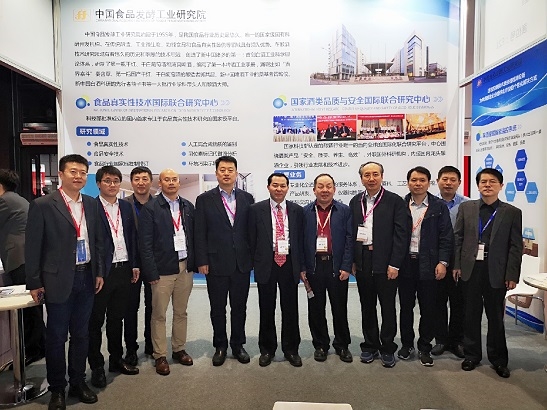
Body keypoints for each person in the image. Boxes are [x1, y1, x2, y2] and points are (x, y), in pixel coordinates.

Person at [25, 154, 104, 410]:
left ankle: (78, 382)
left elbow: (97, 241)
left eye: (82, 172)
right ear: (61, 174)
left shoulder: (91, 204)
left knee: (81, 334)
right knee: (57, 337)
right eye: (73, 171)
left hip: (87, 276)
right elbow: (33, 247)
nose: (78, 176)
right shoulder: (43, 205)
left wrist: (99, 272)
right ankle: (57, 388)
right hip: (57, 279)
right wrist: (34, 282)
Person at [454, 168, 522, 378]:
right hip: (470, 269)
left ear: (501, 186)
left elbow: (515, 246)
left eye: (492, 181)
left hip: (497, 272)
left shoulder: (511, 212)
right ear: (478, 185)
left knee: (495, 317)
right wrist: (456, 265)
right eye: (483, 181)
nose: (487, 185)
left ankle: (499, 360)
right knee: (470, 315)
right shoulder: (466, 208)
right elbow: (458, 238)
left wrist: (512, 274)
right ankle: (471, 355)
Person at [195, 156, 254, 366]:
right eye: (222, 170)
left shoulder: (247, 198)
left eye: (230, 170)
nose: (226, 173)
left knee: (239, 307)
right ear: (216, 173)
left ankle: (238, 345)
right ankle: (220, 346)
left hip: (241, 263)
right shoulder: (204, 199)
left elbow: (251, 231)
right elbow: (199, 232)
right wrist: (202, 260)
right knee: (217, 308)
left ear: (236, 173)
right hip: (215, 263)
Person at [349, 161, 409, 368]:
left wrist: (395, 264)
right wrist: (354, 260)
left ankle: (388, 347)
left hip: (386, 261)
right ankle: (370, 345)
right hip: (364, 260)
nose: (371, 178)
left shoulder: (394, 201)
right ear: (361, 179)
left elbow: (401, 235)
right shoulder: (355, 201)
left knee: (387, 306)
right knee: (367, 306)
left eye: (375, 174)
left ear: (382, 176)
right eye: (367, 175)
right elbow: (352, 233)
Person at [139, 169, 196, 376]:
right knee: (159, 314)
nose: (171, 183)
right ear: (160, 184)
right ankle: (160, 355)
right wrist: (151, 272)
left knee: (181, 312)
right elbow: (145, 244)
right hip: (162, 270)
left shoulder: (187, 206)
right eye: (167, 180)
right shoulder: (151, 208)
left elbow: (193, 236)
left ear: (179, 183)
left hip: (184, 267)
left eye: (174, 179)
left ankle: (179, 349)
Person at [88, 166, 139, 389]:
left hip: (123, 269)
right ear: (98, 183)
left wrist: (134, 264)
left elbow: (132, 236)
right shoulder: (91, 206)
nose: (112, 185)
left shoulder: (126, 207)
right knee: (96, 321)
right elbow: (92, 242)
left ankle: (116, 360)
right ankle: (97, 366)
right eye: (107, 181)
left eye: (116, 181)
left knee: (117, 318)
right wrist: (98, 271)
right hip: (102, 273)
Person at [397, 166, 453, 367]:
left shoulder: (439, 207)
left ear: (429, 183)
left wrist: (443, 262)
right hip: (405, 264)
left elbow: (446, 237)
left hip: (429, 264)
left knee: (428, 308)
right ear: (408, 183)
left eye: (422, 180)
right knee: (405, 307)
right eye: (414, 180)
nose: (418, 184)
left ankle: (424, 346)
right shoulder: (400, 205)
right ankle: (406, 345)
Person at [249, 173, 304, 367]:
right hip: (267, 262)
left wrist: (301, 266)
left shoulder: (297, 210)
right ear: (268, 187)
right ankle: (267, 349)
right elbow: (251, 238)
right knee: (266, 308)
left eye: (282, 185)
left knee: (290, 309)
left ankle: (291, 349)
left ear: (287, 188)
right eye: (275, 185)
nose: (279, 189)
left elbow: (301, 240)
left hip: (289, 263)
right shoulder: (256, 210)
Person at [302, 174, 353, 363]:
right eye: (321, 186)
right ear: (314, 189)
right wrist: (302, 267)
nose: (325, 190)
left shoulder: (344, 211)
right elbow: (299, 242)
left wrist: (346, 266)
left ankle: (342, 345)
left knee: (339, 308)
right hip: (314, 266)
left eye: (328, 186)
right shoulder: (305, 212)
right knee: (316, 308)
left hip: (336, 266)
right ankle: (321, 345)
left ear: (334, 189)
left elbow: (350, 239)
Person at [0, 169, 45, 365]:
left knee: (28, 309)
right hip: (24, 258)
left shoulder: (5, 200)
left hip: (19, 259)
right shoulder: (16, 199)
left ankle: (34, 349)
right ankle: (38, 347)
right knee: (31, 308)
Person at [431, 166, 469, 358]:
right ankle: (441, 340)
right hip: (435, 259)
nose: (448, 183)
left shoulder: (468, 205)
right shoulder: (430, 203)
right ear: (438, 181)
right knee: (438, 301)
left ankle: (457, 341)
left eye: (453, 180)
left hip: (459, 260)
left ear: (459, 182)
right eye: (444, 179)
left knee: (458, 302)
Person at [123, 166, 154, 365]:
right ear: (132, 182)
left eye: (144, 178)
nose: (141, 182)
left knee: (153, 306)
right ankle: (131, 349)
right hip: (130, 264)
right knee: (130, 308)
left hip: (153, 264)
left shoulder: (159, 204)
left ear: (151, 181)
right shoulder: (123, 205)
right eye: (137, 179)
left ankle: (151, 344)